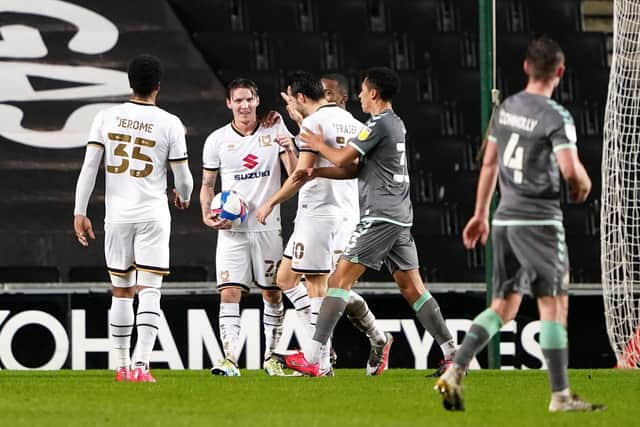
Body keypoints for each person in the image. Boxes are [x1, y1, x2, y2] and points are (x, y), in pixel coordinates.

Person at [434, 37, 605, 412]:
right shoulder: (555, 115)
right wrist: (584, 185)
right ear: (559, 72)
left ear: (527, 67)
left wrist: (480, 214)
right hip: (539, 221)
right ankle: (560, 396)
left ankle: (455, 370)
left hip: (504, 220)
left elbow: (490, 163)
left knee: (503, 306)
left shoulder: (508, 107)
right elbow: (570, 171)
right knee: (553, 304)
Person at [278, 66, 456, 377]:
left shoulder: (378, 124)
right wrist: (316, 171)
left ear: (373, 93)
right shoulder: (396, 124)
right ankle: (452, 354)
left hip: (379, 217)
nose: (360, 95)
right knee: (413, 288)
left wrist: (318, 146)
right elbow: (353, 170)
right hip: (400, 215)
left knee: (337, 283)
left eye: (362, 90)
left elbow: (344, 158)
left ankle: (313, 357)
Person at [256, 71, 391, 376]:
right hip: (346, 212)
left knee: (319, 286)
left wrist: (271, 201)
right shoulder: (356, 124)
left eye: (293, 99)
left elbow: (301, 174)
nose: (292, 105)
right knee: (287, 279)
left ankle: (320, 361)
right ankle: (375, 337)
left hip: (320, 214)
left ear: (301, 98)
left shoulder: (313, 125)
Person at [73, 54, 194, 383]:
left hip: (117, 217)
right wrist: (182, 196)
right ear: (158, 86)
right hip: (153, 213)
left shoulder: (106, 117)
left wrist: (79, 211)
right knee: (151, 289)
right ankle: (142, 365)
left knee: (121, 290)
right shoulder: (170, 122)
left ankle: (123, 366)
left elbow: (89, 168)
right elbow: (183, 179)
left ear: (130, 83)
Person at [201, 78, 297, 376]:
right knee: (229, 293)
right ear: (229, 103)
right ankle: (229, 359)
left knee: (272, 294)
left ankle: (271, 359)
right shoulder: (217, 140)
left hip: (267, 227)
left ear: (257, 101)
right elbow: (207, 184)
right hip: (232, 230)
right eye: (238, 100)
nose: (244, 105)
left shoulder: (275, 128)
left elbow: (295, 175)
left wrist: (290, 146)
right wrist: (206, 213)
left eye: (249, 100)